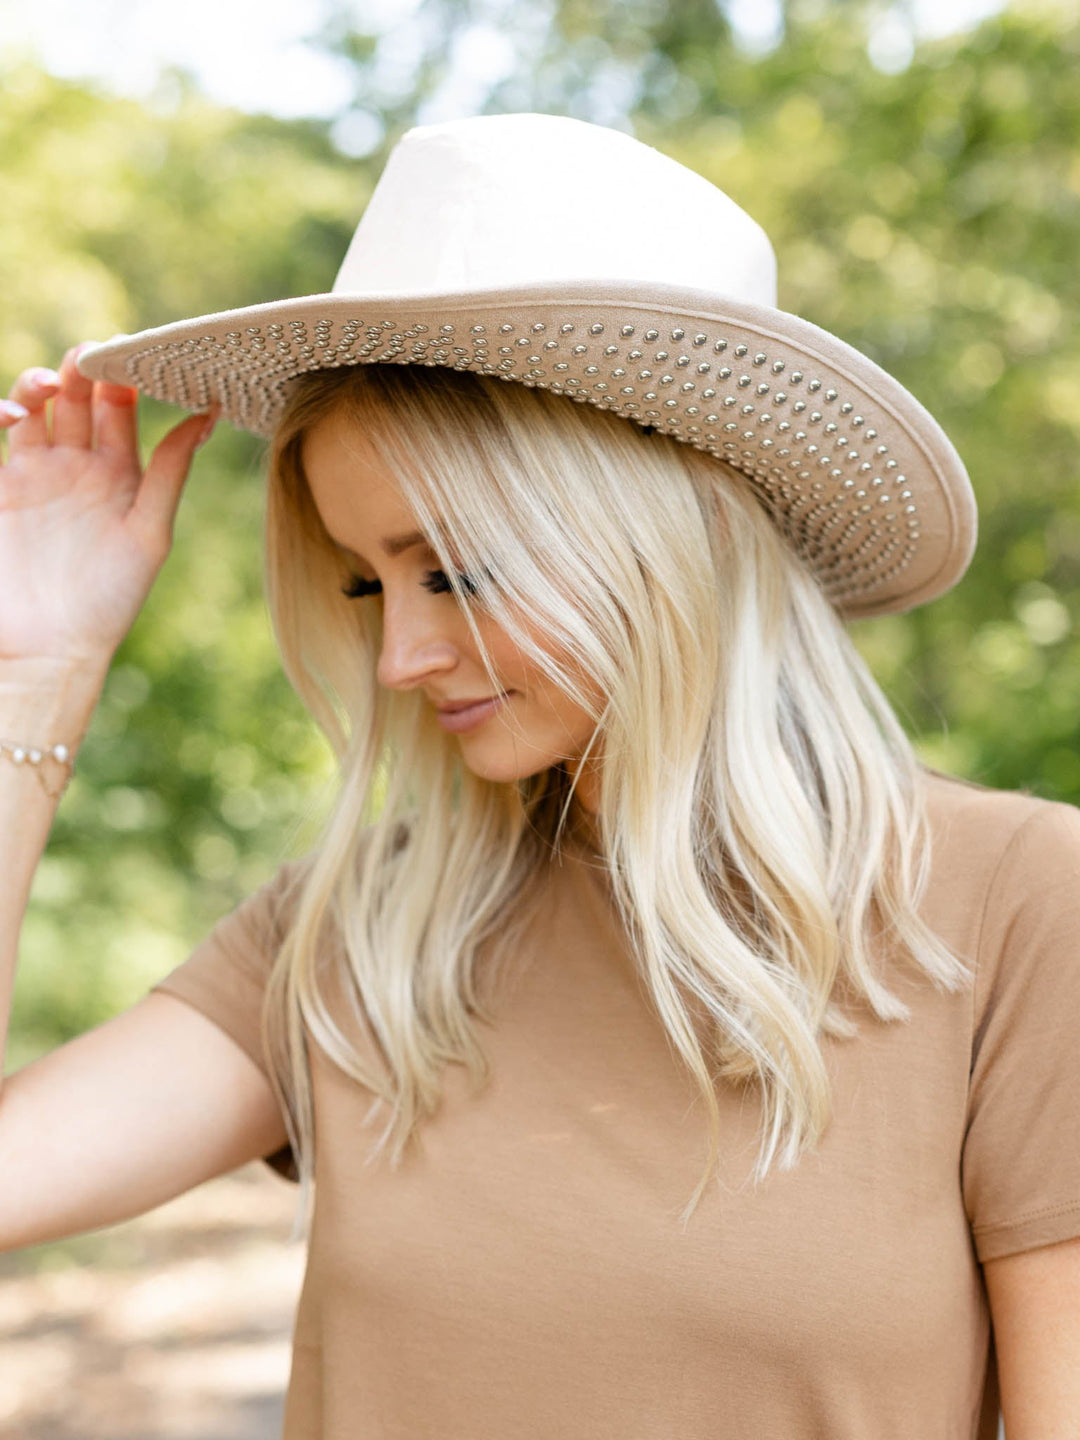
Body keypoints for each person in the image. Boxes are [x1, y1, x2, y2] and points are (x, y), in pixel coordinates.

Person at [1, 111, 1077, 1438]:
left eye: (453, 568)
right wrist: (31, 672)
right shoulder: (363, 927)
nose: (397, 654)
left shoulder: (1019, 907)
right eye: (363, 578)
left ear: (657, 541)